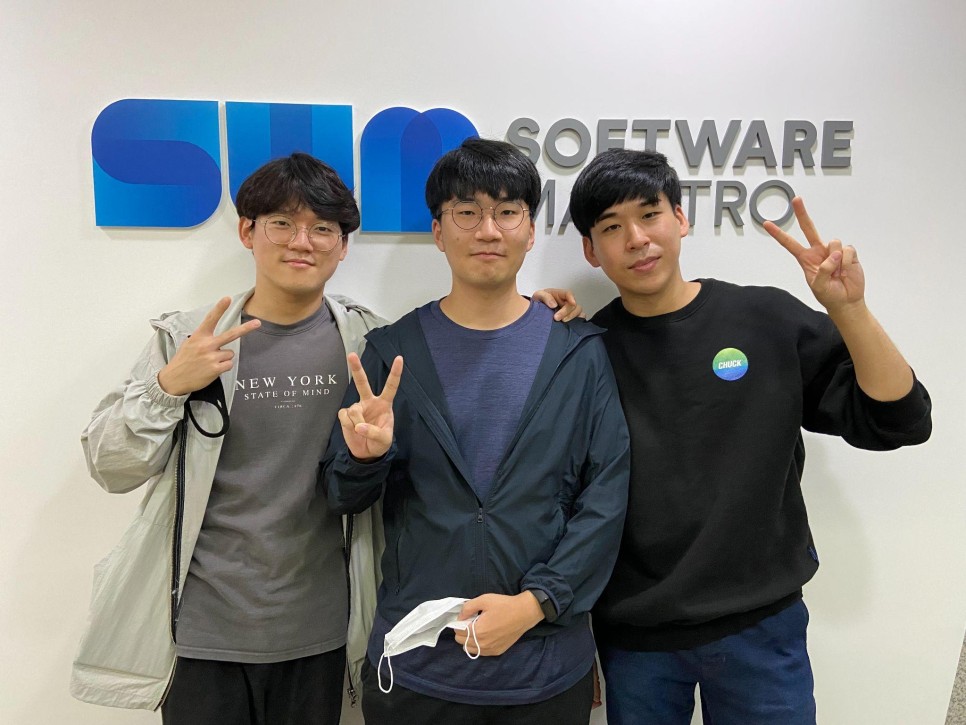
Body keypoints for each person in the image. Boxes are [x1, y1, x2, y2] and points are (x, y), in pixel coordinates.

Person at [71, 151, 582, 723]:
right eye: (281, 224)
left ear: (343, 247)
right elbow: (111, 466)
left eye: (322, 228)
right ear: (247, 232)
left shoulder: (370, 341)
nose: (302, 242)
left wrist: (540, 310)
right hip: (201, 631)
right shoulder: (191, 340)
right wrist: (168, 386)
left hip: (322, 631)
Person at [568, 148, 932, 725]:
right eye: (611, 227)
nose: (637, 239)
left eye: (650, 214)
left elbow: (900, 420)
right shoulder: (587, 351)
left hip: (761, 626)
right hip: (635, 636)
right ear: (591, 250)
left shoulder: (764, 318)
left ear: (680, 218)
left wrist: (851, 310)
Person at [322, 138, 630, 725]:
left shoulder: (578, 352)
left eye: (507, 211)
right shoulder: (391, 352)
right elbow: (341, 496)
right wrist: (363, 460)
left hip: (544, 666)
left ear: (530, 231)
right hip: (418, 668)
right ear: (439, 232)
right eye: (467, 212)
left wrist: (538, 602)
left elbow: (606, 497)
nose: (488, 230)